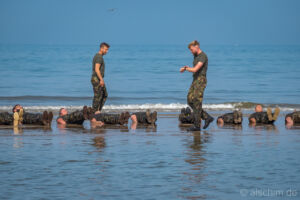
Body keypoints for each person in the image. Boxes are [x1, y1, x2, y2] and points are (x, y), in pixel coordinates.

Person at [180, 40, 214, 131]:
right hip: (195, 80)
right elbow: (194, 69)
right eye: (190, 50)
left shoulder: (203, 56)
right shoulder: (196, 56)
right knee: (189, 100)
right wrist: (186, 68)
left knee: (196, 101)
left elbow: (195, 69)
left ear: (197, 46)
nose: (191, 52)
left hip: (201, 80)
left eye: (191, 49)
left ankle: (197, 126)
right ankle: (207, 117)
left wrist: (186, 68)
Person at [91, 42, 110, 114]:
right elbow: (96, 69)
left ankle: (97, 111)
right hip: (97, 79)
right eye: (106, 49)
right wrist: (101, 79)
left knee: (103, 94)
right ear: (101, 48)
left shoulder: (98, 56)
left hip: (97, 78)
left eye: (107, 50)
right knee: (98, 95)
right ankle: (94, 112)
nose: (107, 51)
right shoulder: (99, 57)